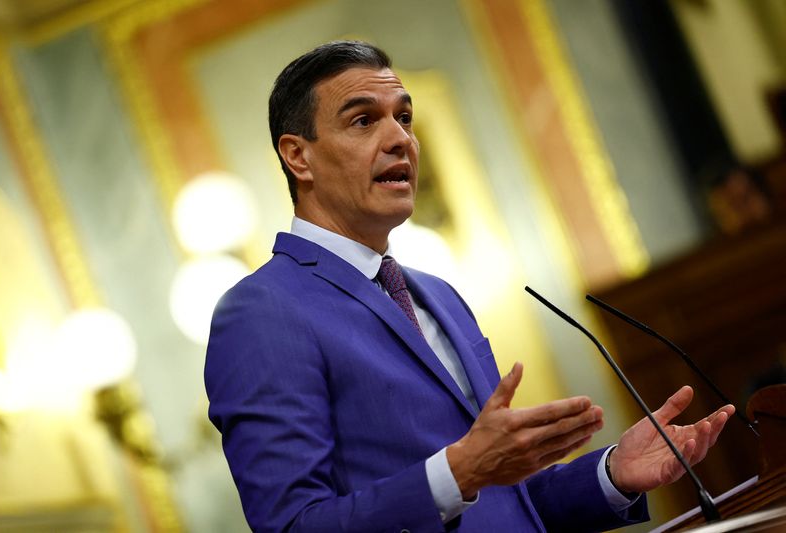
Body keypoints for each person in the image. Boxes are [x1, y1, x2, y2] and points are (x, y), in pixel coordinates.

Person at [205, 40, 734, 532]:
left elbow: (511, 504)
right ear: (299, 156)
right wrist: (456, 474)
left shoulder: (439, 295)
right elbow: (294, 524)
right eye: (364, 120)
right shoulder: (261, 312)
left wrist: (613, 473)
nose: (400, 139)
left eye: (404, 118)